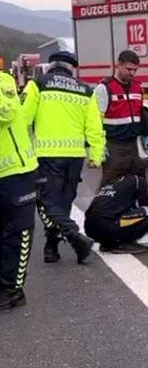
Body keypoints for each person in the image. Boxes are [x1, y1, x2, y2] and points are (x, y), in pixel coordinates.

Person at [21, 51, 104, 264]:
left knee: (48, 201)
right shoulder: (86, 90)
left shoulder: (38, 84)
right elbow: (95, 126)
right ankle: (52, 247)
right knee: (64, 201)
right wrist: (95, 154)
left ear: (51, 66)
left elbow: (23, 120)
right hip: (74, 157)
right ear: (72, 68)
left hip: (46, 154)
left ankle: (72, 236)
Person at [0, 71, 38, 311]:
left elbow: (6, 112)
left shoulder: (4, 81)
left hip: (16, 172)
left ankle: (13, 288)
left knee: (18, 232)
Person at [94, 50, 148, 184]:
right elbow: (95, 120)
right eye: (128, 69)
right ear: (118, 65)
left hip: (133, 144)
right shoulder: (104, 88)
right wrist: (98, 146)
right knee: (112, 185)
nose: (132, 73)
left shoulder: (137, 88)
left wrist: (147, 134)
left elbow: (140, 114)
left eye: (135, 70)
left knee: (138, 182)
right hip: (113, 144)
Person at [84, 171, 148, 253]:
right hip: (109, 227)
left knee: (110, 215)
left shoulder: (108, 181)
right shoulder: (136, 180)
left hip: (89, 228)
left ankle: (107, 242)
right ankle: (120, 242)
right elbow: (145, 203)